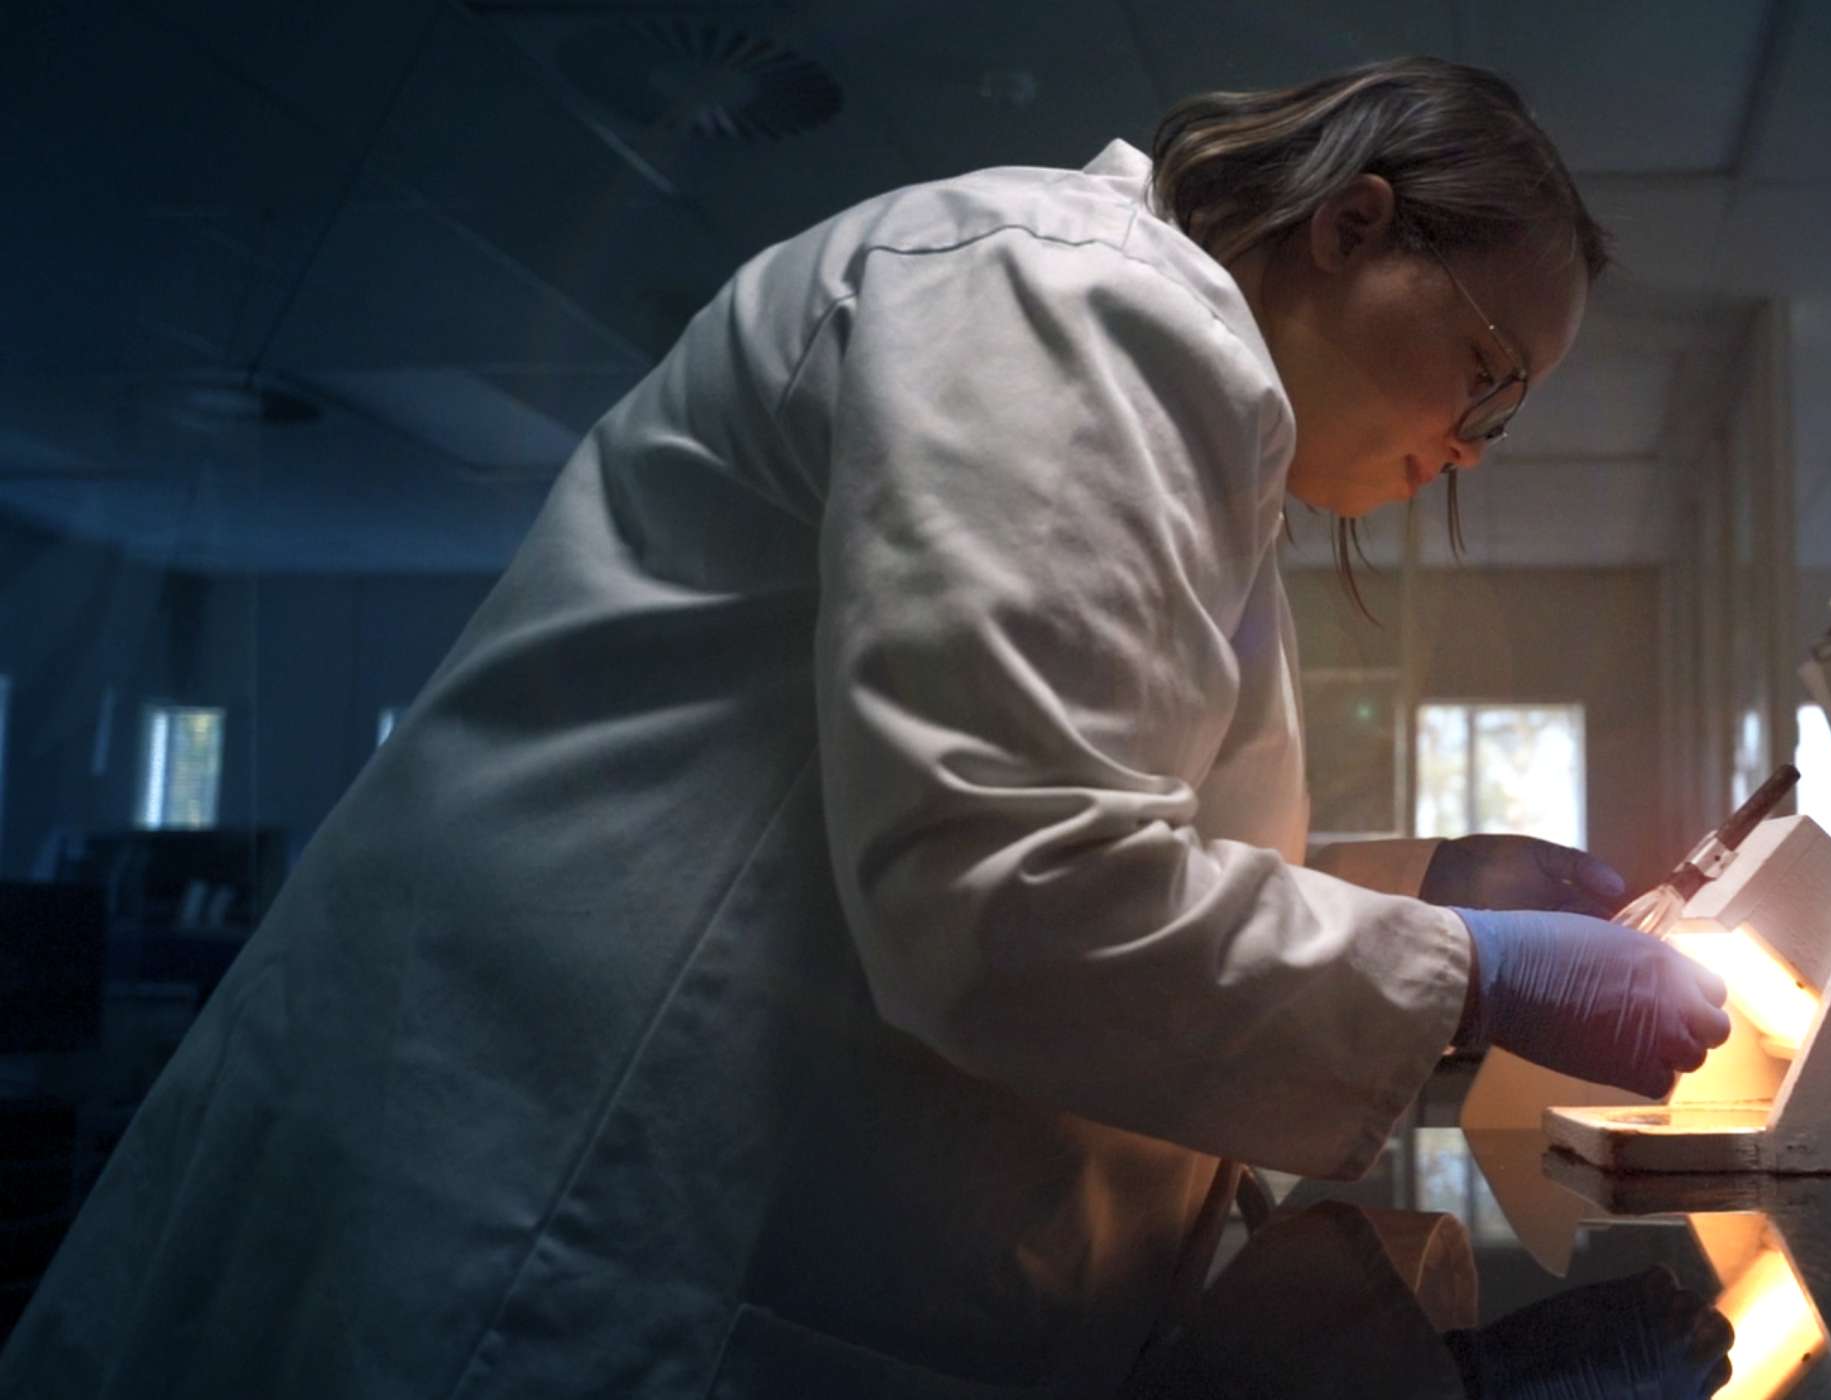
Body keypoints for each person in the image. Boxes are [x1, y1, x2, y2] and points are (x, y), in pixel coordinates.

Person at [0, 57, 1735, 1398]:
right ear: (1354, 225)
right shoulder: (1078, 298)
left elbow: (1044, 834)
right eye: (1491, 370)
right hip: (567, 1256)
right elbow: (1013, 890)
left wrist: (1427, 884)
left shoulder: (1163, 405)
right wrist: (1466, 967)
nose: (1478, 443)